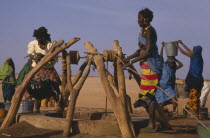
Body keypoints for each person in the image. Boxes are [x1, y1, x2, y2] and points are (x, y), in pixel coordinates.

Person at [123, 8, 163, 131]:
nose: (137, 20)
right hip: (146, 68)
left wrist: (132, 62)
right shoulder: (143, 31)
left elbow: (148, 51)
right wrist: (128, 58)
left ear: (145, 19)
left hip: (152, 67)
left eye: (139, 18)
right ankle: (153, 122)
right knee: (147, 96)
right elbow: (139, 50)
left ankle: (152, 124)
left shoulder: (150, 31)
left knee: (149, 96)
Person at [17, 27, 61, 112]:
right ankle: (35, 106)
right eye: (37, 38)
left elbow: (54, 58)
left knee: (55, 84)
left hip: (48, 68)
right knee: (34, 86)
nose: (38, 39)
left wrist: (44, 57)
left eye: (40, 37)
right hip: (36, 67)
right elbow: (30, 54)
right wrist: (35, 57)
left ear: (44, 37)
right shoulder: (33, 44)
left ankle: (58, 104)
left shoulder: (50, 45)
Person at [175, 40, 204, 118]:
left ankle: (195, 114)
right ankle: (198, 114)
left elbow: (183, 52)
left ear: (195, 51)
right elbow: (189, 51)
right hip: (199, 81)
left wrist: (177, 46)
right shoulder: (199, 57)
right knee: (197, 98)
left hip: (194, 80)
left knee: (193, 98)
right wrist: (182, 43)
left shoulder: (194, 57)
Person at [155, 42, 183, 114]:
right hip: (161, 86)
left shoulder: (173, 69)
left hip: (169, 87)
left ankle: (174, 112)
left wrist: (174, 59)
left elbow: (181, 65)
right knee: (161, 102)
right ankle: (159, 113)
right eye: (171, 62)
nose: (172, 64)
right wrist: (162, 47)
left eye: (173, 63)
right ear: (167, 62)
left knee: (174, 100)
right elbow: (161, 57)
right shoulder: (163, 66)